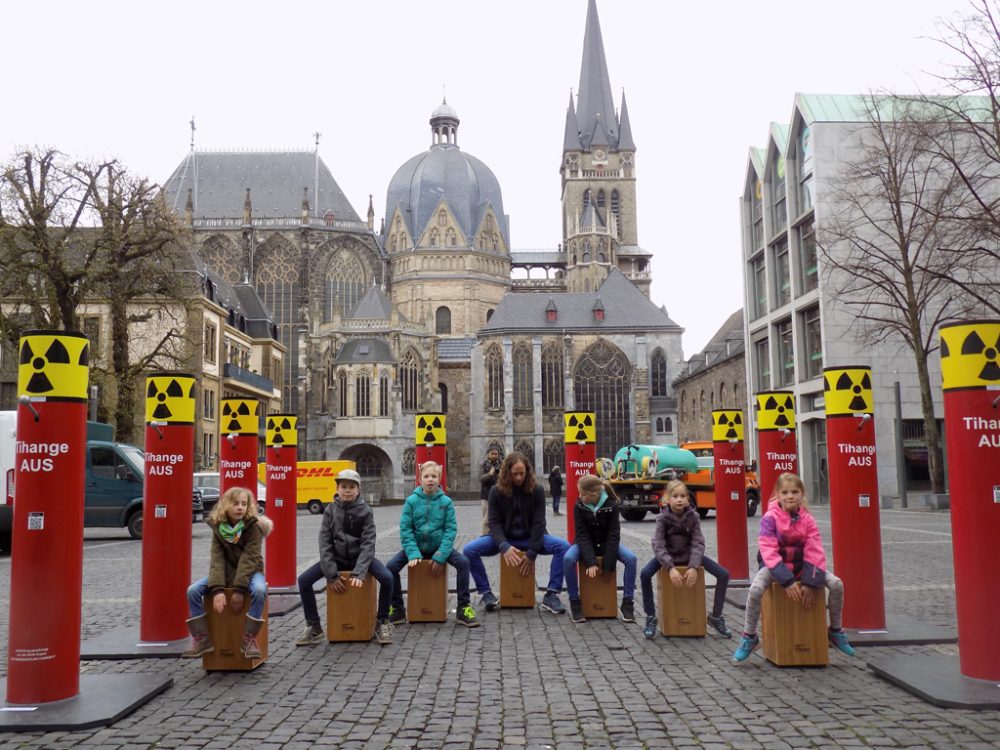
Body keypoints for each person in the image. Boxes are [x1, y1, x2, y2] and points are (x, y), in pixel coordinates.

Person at [733, 472, 855, 662]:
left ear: (802, 494)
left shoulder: (808, 520)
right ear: (777, 495)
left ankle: (835, 631)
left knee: (837, 584)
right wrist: (787, 581)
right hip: (775, 568)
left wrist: (810, 582)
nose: (790, 496)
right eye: (785, 492)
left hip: (802, 566)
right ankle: (749, 636)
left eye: (795, 492)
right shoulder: (769, 518)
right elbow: (768, 551)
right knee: (755, 590)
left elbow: (814, 551)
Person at [294, 469, 395, 646]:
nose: (347, 490)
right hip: (337, 557)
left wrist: (359, 572)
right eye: (343, 486)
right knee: (304, 580)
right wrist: (331, 574)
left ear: (358, 490)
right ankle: (313, 625)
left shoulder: (366, 511)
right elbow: (324, 542)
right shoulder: (330, 511)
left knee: (387, 578)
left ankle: (382, 622)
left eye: (351, 487)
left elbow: (368, 543)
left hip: (360, 558)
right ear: (337, 489)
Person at [463, 451, 569, 614]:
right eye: (515, 474)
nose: (519, 478)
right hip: (504, 538)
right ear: (507, 473)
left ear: (527, 472)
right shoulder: (496, 491)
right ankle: (486, 593)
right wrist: (504, 545)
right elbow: (494, 523)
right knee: (469, 550)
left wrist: (532, 551)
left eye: (522, 474)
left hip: (530, 538)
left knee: (563, 547)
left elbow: (539, 523)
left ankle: (551, 594)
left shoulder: (537, 490)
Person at [386, 461, 480, 628]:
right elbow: (406, 529)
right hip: (417, 547)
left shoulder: (446, 502)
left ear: (440, 479)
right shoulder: (411, 501)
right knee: (391, 567)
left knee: (464, 563)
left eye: (434, 476)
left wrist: (441, 555)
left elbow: (450, 530)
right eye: (426, 476)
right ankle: (398, 609)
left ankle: (463, 607)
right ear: (420, 479)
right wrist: (413, 552)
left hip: (439, 547)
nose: (430, 479)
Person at [640, 479, 732, 640]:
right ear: (667, 499)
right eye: (675, 496)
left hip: (690, 556)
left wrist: (693, 566)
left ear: (687, 499)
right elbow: (658, 544)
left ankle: (716, 617)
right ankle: (650, 617)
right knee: (645, 574)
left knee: (723, 574)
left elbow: (698, 542)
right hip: (668, 556)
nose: (679, 499)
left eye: (683, 496)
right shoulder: (662, 518)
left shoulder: (693, 516)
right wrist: (670, 567)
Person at [183, 486, 268, 658]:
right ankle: (202, 638)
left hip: (251, 572)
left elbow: (249, 559)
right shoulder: (218, 528)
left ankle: (249, 638)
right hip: (226, 572)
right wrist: (218, 590)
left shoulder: (253, 527)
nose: (240, 507)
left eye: (244, 504)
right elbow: (217, 559)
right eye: (235, 503)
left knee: (259, 590)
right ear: (225, 506)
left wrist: (238, 590)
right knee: (193, 591)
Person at [563, 474, 637, 624]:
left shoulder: (612, 505)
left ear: (594, 493)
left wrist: (608, 567)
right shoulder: (579, 506)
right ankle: (575, 602)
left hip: (606, 544)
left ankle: (628, 603)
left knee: (631, 559)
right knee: (568, 559)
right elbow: (582, 535)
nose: (580, 496)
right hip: (584, 544)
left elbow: (613, 535)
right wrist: (591, 562)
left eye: (583, 494)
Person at [478, 447, 503, 535]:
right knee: (486, 519)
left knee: (500, 517)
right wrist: (489, 474)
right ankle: (485, 537)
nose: (494, 456)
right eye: (492, 453)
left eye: (496, 454)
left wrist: (501, 474)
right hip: (486, 495)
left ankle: (498, 535)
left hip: (499, 495)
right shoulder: (483, 464)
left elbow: (506, 478)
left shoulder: (501, 463)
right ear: (488, 454)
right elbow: (480, 478)